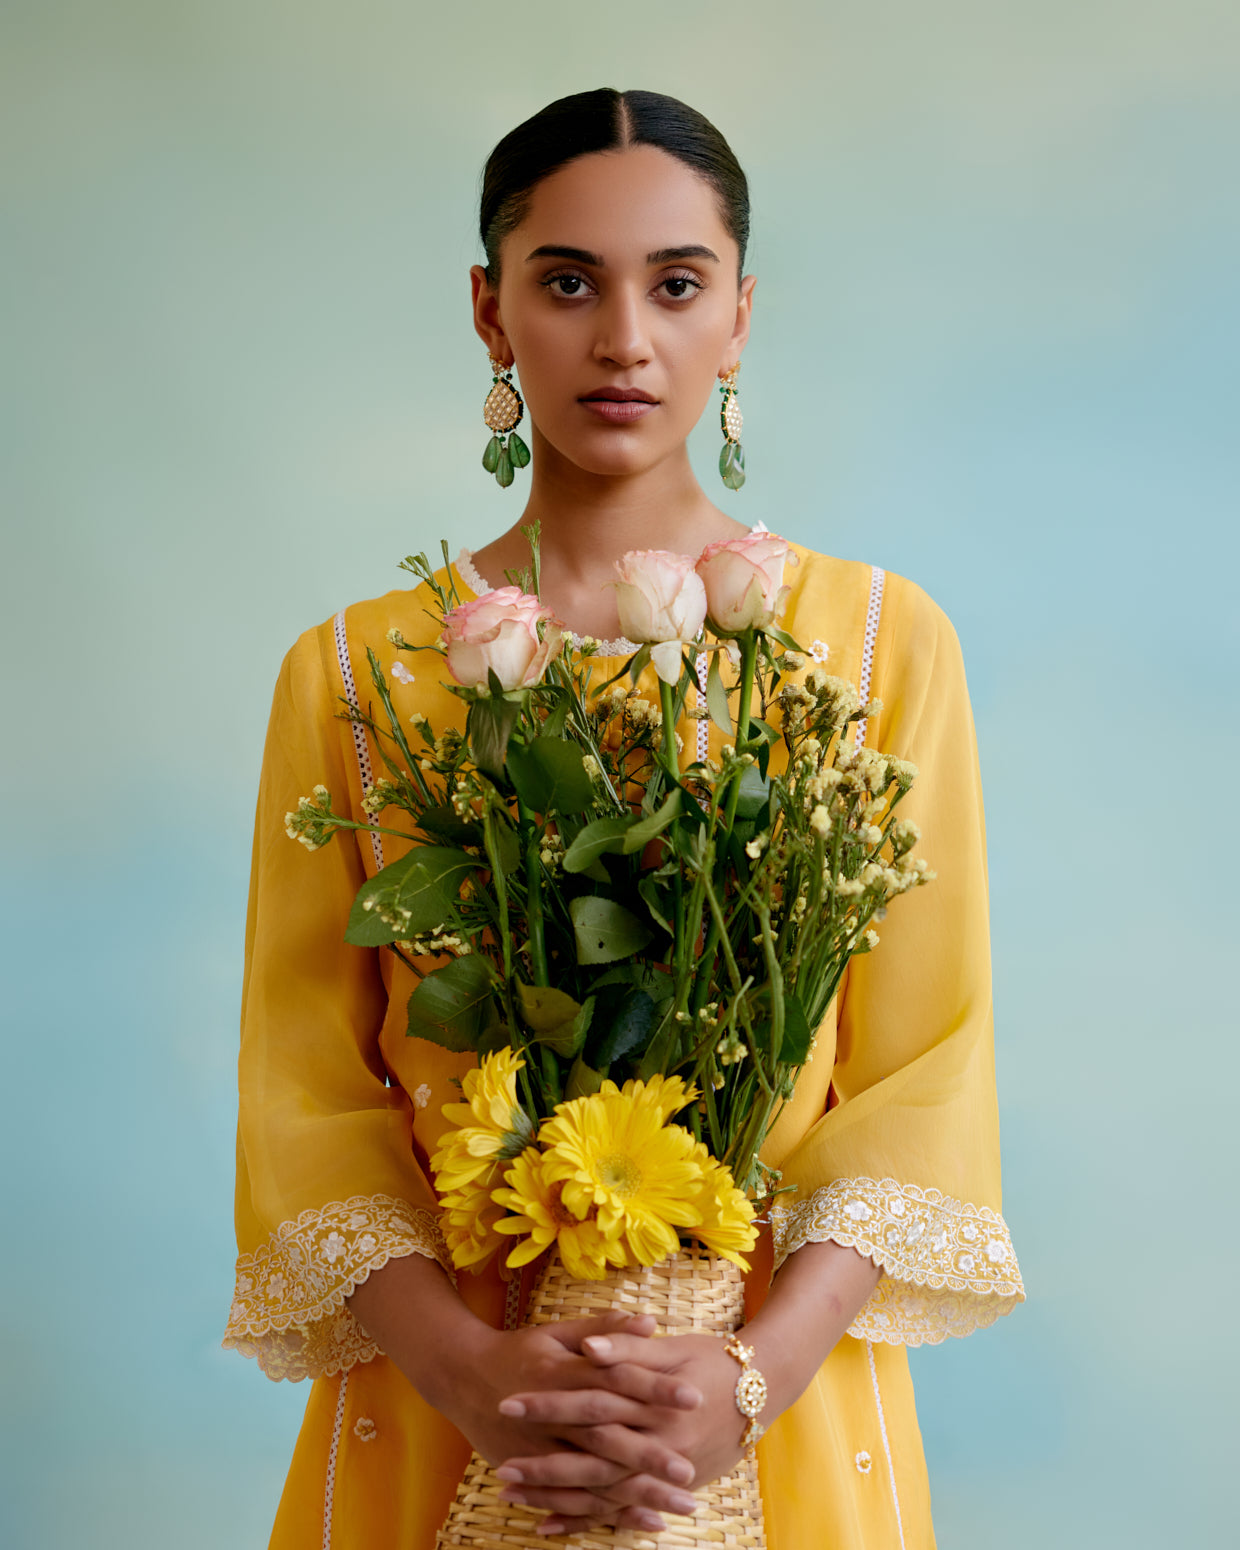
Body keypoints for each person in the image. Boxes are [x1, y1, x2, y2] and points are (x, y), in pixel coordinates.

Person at [225, 88, 1024, 1549]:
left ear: (740, 316)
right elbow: (309, 1096)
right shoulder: (357, 674)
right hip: (450, 1400)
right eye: (568, 283)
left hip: (771, 1409)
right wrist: (473, 1377)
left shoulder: (873, 646)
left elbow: (924, 1070)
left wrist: (747, 1377)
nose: (624, 340)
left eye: (677, 284)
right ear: (490, 311)